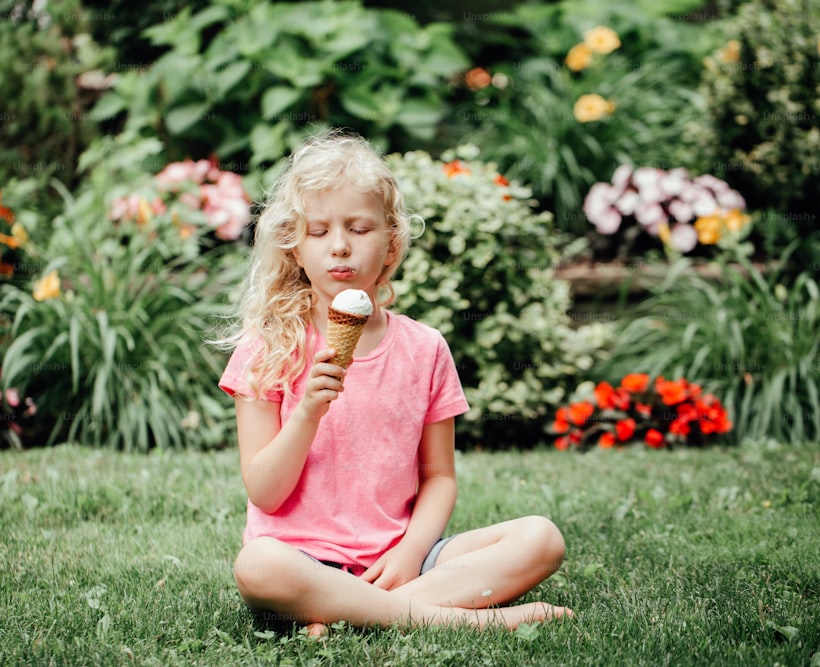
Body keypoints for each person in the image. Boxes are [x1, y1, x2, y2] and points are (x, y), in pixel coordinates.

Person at [214, 130, 571, 634]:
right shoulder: (266, 348)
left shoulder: (425, 349)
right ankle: (453, 621)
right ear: (294, 249)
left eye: (359, 229)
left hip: (399, 561)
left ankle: (356, 614)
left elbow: (440, 477)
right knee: (257, 566)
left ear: (391, 243)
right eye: (318, 232)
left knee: (541, 538)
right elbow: (266, 493)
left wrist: (410, 552)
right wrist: (308, 412)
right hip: (302, 563)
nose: (339, 246)